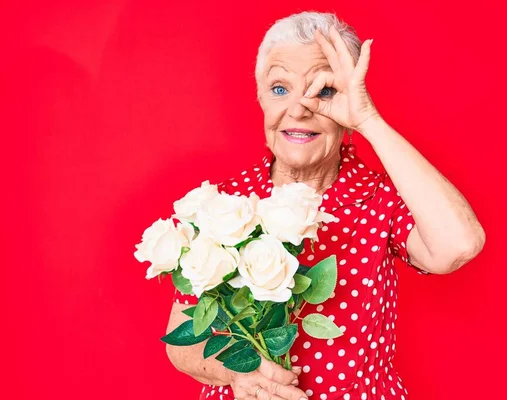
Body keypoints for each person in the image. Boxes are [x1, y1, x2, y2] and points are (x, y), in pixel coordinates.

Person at [165, 11, 485, 400]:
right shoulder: (223, 205)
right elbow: (181, 343)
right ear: (259, 97)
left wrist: (368, 119)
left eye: (324, 90)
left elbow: (458, 246)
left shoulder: (379, 196)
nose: (299, 109)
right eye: (280, 88)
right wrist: (236, 374)